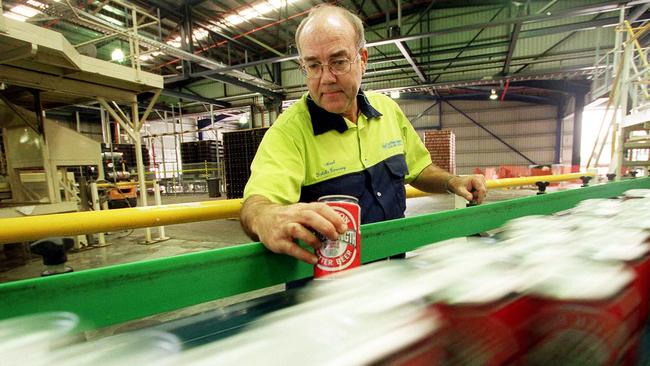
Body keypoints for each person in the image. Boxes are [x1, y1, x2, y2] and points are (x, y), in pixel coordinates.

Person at [240, 4, 486, 265]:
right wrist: (265, 217)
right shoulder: (289, 133)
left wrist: (452, 182)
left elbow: (419, 168)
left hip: (393, 271)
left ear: (363, 60)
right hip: (330, 289)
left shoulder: (388, 111)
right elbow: (257, 204)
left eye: (338, 62)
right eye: (313, 66)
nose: (326, 78)